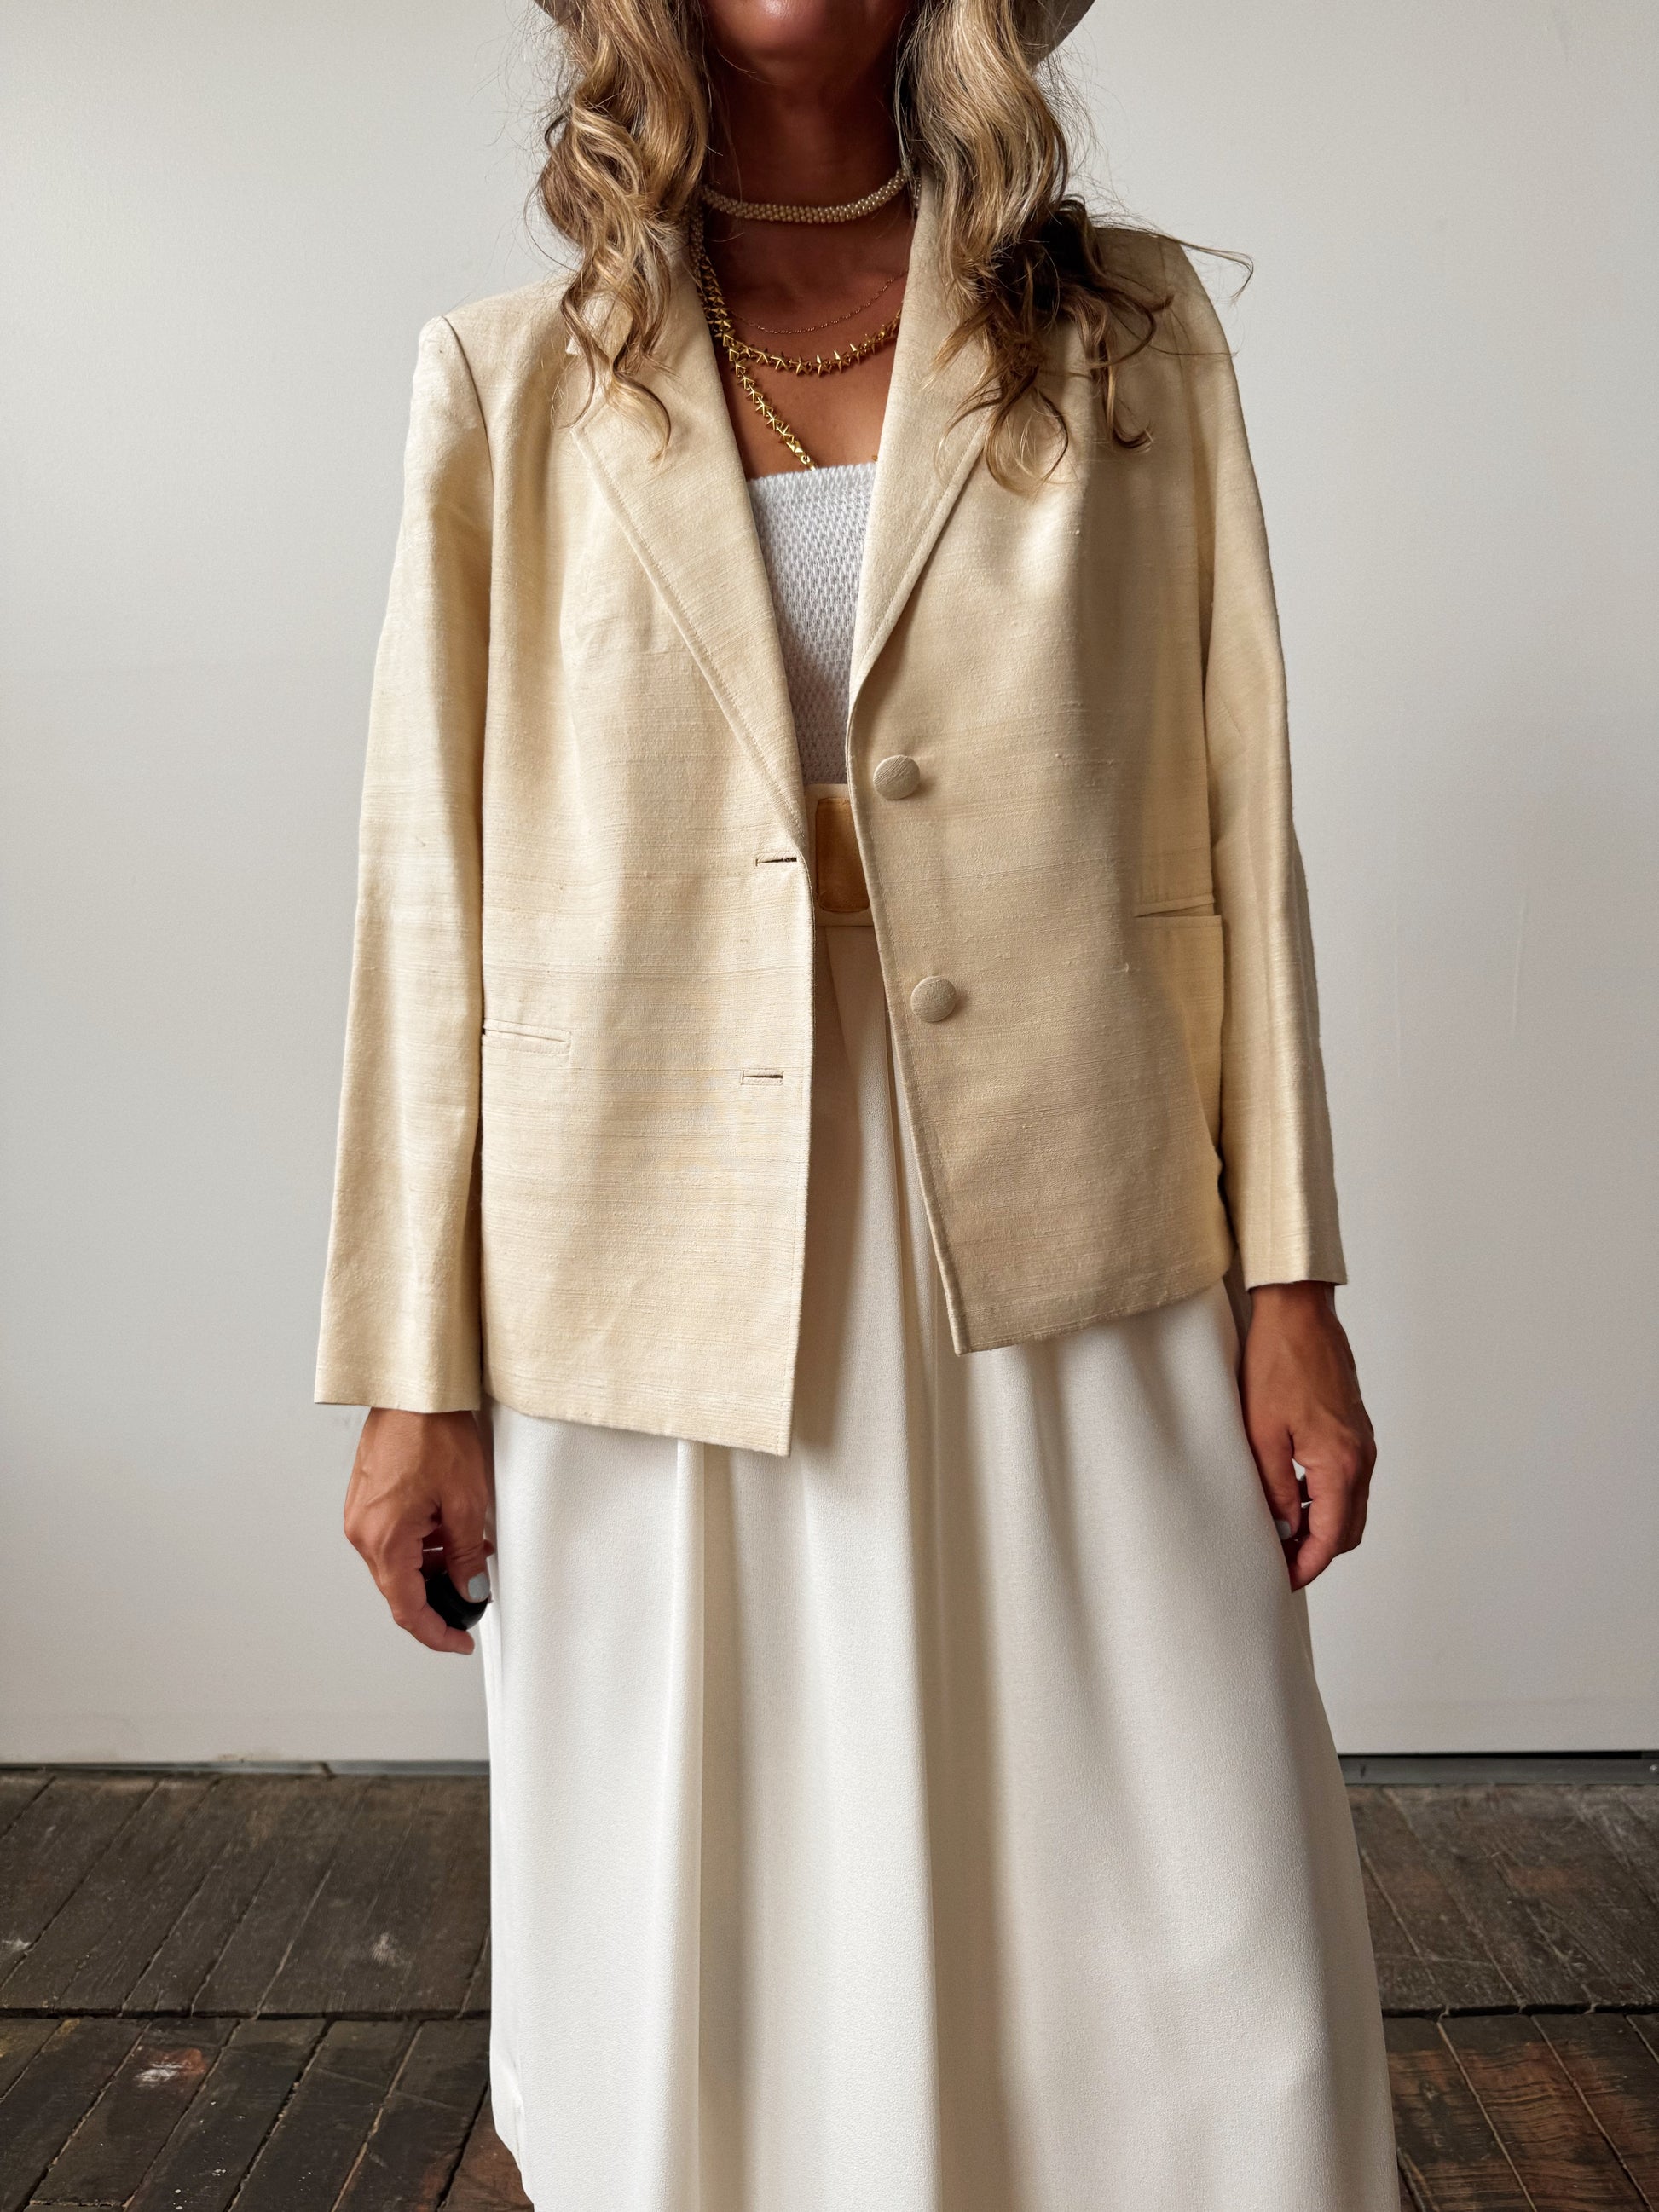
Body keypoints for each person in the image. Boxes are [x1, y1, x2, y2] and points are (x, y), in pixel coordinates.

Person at [318, 0, 1399, 2201]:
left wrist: (1290, 1279)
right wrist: (410, 1378)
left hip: (1069, 1204)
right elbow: (427, 907)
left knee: (1181, 1898)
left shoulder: (1131, 343)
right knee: (717, 1936)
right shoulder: (507, 386)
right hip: (649, 1261)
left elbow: (1237, 816)